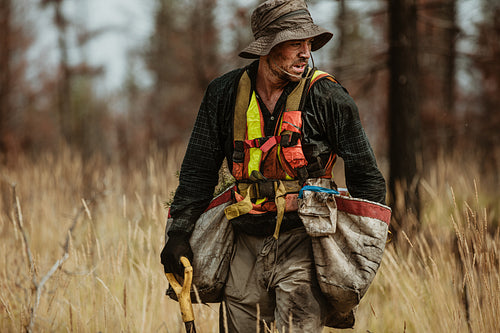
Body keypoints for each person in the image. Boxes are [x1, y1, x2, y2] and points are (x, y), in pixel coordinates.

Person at [161, 0, 386, 332]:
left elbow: (368, 178)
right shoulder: (222, 94)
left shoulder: (328, 97)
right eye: (295, 43)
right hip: (243, 242)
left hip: (304, 243)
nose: (306, 53)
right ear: (267, 47)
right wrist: (178, 234)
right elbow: (197, 171)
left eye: (308, 44)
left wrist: (356, 250)